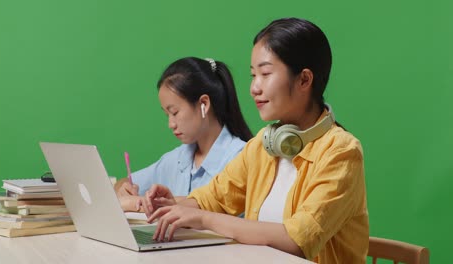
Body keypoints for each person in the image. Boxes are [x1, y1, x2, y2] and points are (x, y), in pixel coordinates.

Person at [141, 18, 369, 263]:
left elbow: (297, 240)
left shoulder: (342, 152)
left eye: (265, 73)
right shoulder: (264, 144)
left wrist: (205, 220)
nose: (254, 88)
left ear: (304, 80)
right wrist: (175, 203)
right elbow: (213, 197)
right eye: (253, 75)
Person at [115, 57, 253, 212]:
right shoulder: (178, 158)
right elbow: (125, 182)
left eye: (175, 112)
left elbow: (203, 208)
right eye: (167, 115)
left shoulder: (241, 157)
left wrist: (131, 203)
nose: (171, 124)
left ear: (204, 104)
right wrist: (123, 188)